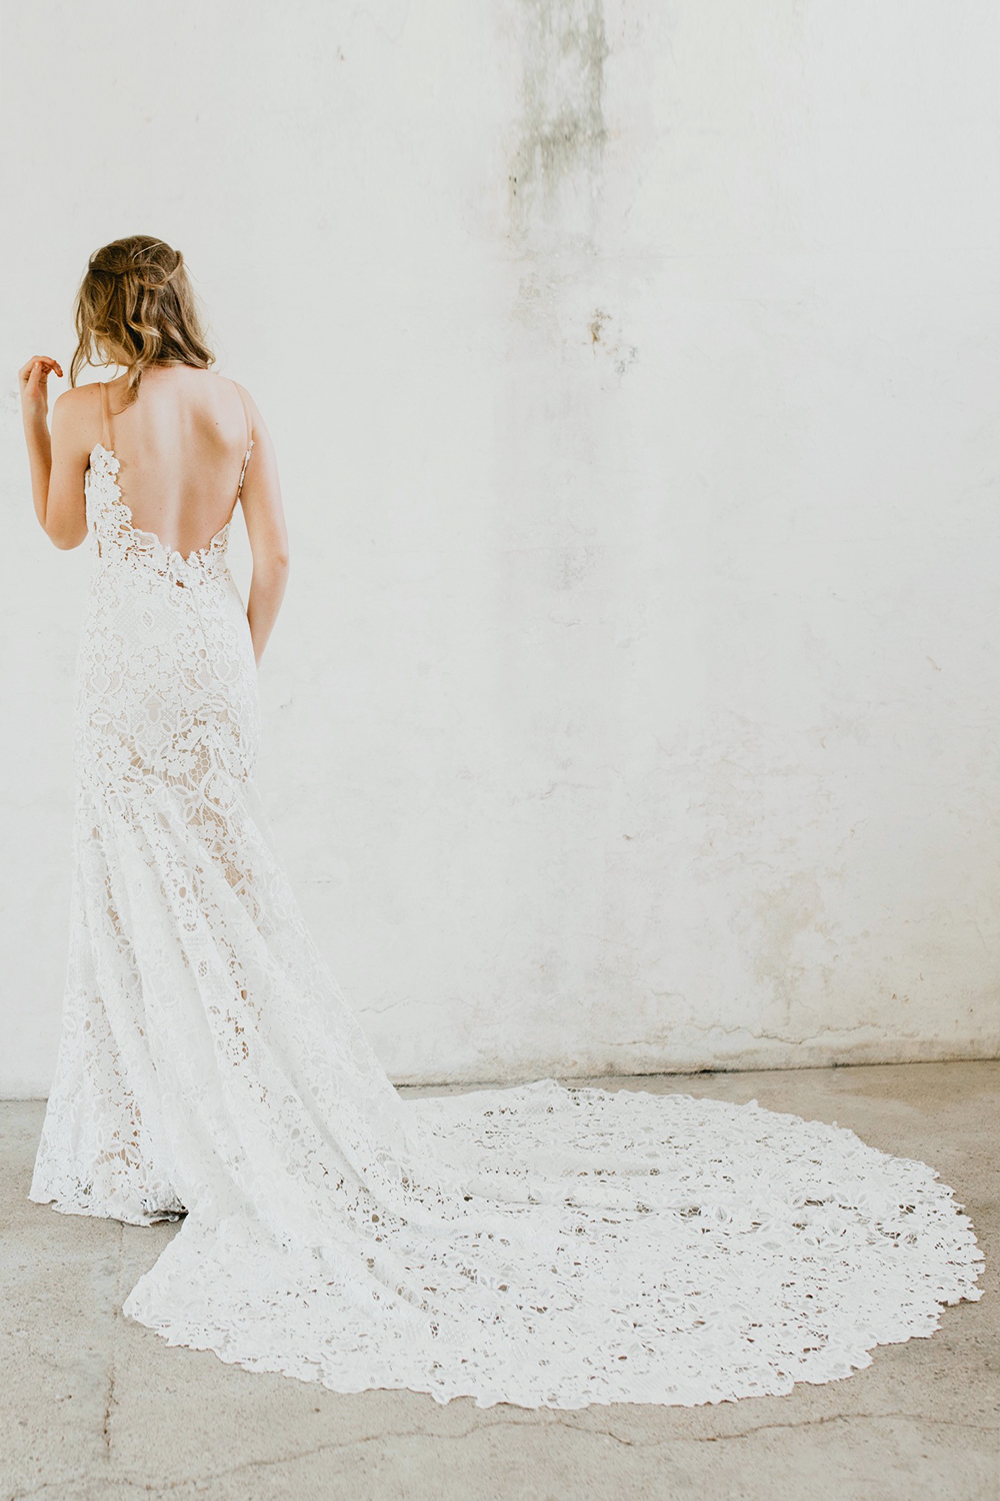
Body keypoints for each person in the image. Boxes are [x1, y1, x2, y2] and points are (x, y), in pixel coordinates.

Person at [17, 235, 983, 1410]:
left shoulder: (91, 409)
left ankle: (163, 1138)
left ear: (103, 311)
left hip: (128, 671)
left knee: (136, 896)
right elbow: (277, 556)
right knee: (234, 899)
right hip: (213, 661)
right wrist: (241, 669)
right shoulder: (237, 404)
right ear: (177, 299)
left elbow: (61, 531)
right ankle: (251, 1115)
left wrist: (33, 416)